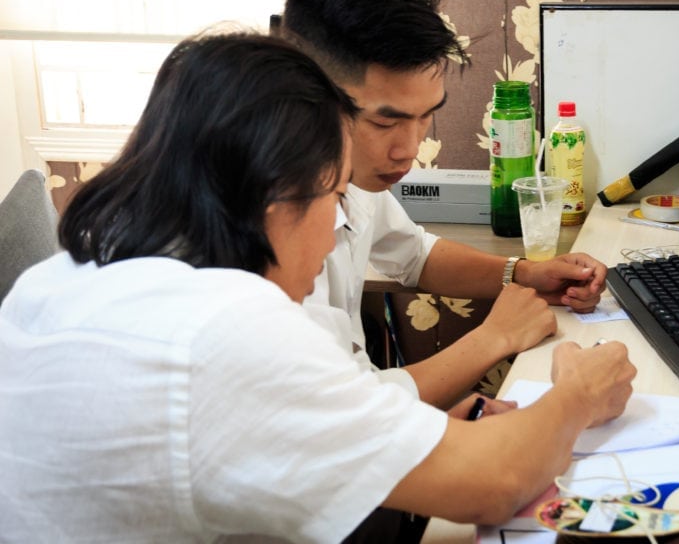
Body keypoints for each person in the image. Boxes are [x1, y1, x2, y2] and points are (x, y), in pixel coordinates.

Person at [0, 32, 637, 542]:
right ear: (275, 198)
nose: (336, 236)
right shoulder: (228, 329)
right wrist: (579, 395)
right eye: (334, 199)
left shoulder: (63, 278)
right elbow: (495, 483)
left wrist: (407, 437)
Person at [281, 0, 610, 410]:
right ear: (306, 93)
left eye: (426, 116)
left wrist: (526, 273)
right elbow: (340, 415)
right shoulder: (268, 230)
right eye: (385, 123)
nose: (409, 149)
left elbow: (413, 254)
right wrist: (495, 338)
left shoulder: (353, 170)